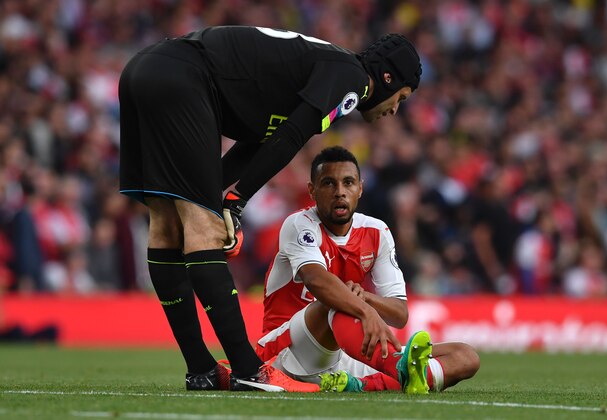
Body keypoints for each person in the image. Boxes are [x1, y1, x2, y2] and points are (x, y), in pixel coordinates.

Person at [118, 26, 422, 391]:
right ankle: (248, 369)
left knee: (167, 223)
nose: (394, 110)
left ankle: (200, 368)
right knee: (202, 226)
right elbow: (292, 136)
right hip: (184, 76)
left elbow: (259, 140)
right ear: (387, 78)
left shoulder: (324, 68)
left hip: (145, 70)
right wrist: (236, 200)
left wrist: (219, 193)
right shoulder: (353, 81)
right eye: (401, 97)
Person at [256, 146, 480, 393]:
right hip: (289, 353)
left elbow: (399, 313)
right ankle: (401, 371)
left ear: (360, 188)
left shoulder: (377, 231)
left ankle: (359, 385)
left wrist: (366, 299)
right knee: (335, 300)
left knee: (465, 355)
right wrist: (364, 309)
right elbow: (317, 281)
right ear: (312, 190)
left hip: (342, 354)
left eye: (348, 183)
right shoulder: (300, 224)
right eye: (329, 183)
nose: (340, 192)